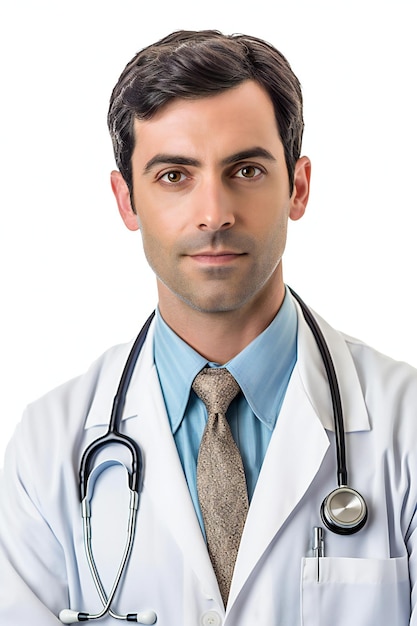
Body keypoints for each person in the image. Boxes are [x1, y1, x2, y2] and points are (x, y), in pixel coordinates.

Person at [1, 29, 417, 626]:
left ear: (297, 187)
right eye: (175, 175)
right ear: (127, 200)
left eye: (246, 170)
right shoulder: (47, 451)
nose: (214, 214)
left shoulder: (407, 428)